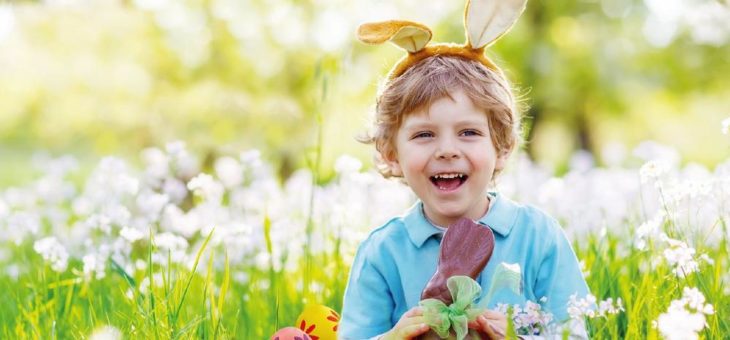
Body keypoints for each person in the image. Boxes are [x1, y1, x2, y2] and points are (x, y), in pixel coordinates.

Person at [339, 1, 590, 339]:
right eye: (424, 134)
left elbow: (575, 331)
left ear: (501, 148)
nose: (446, 151)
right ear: (391, 154)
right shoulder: (382, 252)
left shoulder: (539, 238)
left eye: (468, 133)